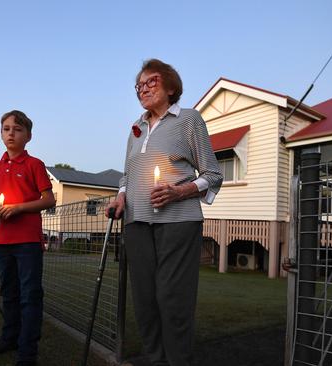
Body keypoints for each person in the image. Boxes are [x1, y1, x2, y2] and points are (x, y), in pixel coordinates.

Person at [106, 59, 223, 366]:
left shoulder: (189, 119)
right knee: (144, 300)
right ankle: (156, 359)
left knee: (173, 298)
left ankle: (178, 361)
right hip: (136, 222)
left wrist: (178, 191)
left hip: (178, 221)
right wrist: (120, 197)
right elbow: (127, 176)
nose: (143, 88)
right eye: (139, 85)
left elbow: (212, 174)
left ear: (171, 87)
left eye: (151, 82)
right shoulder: (136, 129)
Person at [0, 110, 56, 366]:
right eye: (6, 128)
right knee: (9, 293)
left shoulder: (34, 164)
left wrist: (19, 208)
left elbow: (49, 199)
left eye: (17, 129)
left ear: (28, 135)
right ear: (1, 133)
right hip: (2, 239)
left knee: (30, 295)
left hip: (27, 241)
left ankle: (27, 352)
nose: (11, 133)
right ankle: (9, 338)